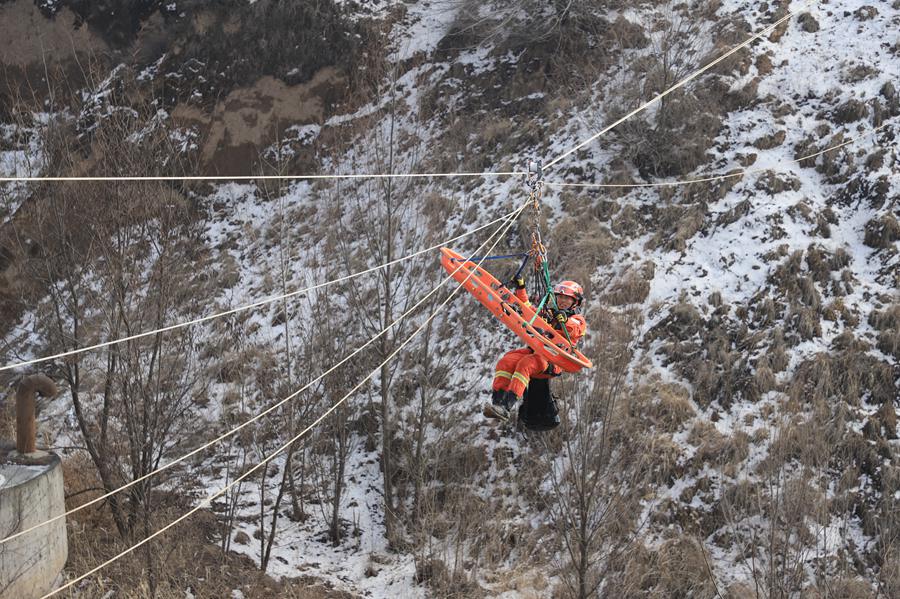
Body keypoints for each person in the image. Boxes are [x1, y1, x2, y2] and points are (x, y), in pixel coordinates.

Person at [484, 278, 587, 421]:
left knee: (525, 363)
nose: (562, 300)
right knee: (507, 361)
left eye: (566, 298)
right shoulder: (548, 314)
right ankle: (498, 403)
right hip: (536, 352)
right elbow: (526, 309)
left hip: (553, 361)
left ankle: (507, 406)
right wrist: (521, 288)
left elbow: (575, 329)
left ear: (575, 302)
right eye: (560, 297)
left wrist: (564, 320)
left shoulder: (577, 319)